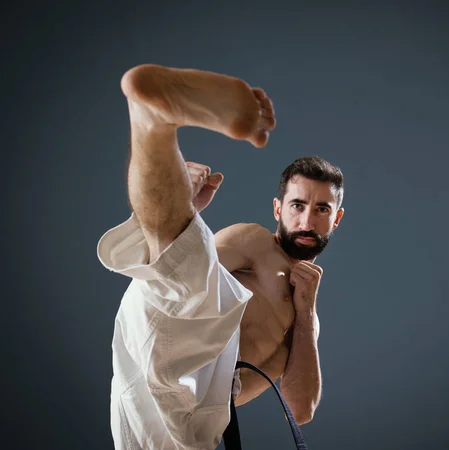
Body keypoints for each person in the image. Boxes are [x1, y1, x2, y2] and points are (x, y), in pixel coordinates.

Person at [97, 63, 345, 450]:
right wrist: (185, 218)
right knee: (182, 271)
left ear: (337, 219)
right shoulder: (255, 242)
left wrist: (306, 313)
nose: (307, 220)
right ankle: (155, 122)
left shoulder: (304, 319)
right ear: (278, 209)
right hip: (173, 333)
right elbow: (178, 277)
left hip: (197, 410)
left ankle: (153, 120)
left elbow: (299, 409)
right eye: (298, 205)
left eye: (322, 210)